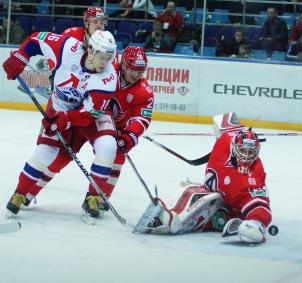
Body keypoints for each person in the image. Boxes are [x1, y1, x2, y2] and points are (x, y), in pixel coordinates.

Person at [24, 46, 154, 220]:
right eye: (133, 69)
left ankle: (98, 198)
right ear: (123, 65)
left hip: (114, 129)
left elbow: (142, 119)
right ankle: (28, 192)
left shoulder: (144, 91)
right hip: (86, 120)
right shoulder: (106, 72)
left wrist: (130, 135)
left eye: (141, 70)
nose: (137, 74)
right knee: (61, 156)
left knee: (115, 156)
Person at [2, 29, 118, 216]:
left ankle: (93, 198)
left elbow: (90, 113)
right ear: (90, 50)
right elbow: (36, 39)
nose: (105, 63)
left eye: (109, 58)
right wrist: (22, 56)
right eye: (102, 57)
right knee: (45, 151)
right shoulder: (67, 48)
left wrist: (67, 119)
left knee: (108, 146)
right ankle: (19, 193)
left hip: (89, 115)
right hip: (58, 108)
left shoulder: (108, 77)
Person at [135, 113, 273, 244]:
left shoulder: (252, 178)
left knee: (208, 210)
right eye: (243, 150)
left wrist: (256, 224)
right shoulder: (226, 140)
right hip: (213, 193)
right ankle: (165, 218)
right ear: (233, 147)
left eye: (251, 152)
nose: (247, 156)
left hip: (233, 211)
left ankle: (167, 220)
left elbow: (261, 205)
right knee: (197, 195)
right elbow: (225, 118)